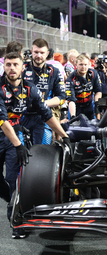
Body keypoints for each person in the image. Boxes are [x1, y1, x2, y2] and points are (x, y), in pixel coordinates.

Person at [0, 52, 71, 239]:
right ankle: (12, 201)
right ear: (4, 67)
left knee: (14, 178)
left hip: (12, 139)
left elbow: (47, 114)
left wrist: (64, 136)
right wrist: (18, 144)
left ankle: (17, 219)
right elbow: (2, 121)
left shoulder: (30, 89)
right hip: (7, 134)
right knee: (5, 186)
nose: (12, 68)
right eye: (8, 64)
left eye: (15, 64)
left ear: (23, 67)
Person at [21, 38, 66, 145]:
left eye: (42, 53)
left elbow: (61, 97)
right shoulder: (21, 68)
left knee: (42, 151)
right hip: (22, 115)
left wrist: (42, 104)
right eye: (36, 52)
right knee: (18, 153)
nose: (39, 55)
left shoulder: (54, 71)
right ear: (31, 51)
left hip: (43, 116)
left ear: (47, 54)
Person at [65, 54, 102, 120]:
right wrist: (73, 116)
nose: (83, 67)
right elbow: (71, 100)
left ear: (89, 65)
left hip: (89, 105)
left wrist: (97, 105)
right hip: (76, 107)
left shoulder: (93, 74)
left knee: (94, 126)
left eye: (85, 65)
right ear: (76, 65)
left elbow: (98, 91)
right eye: (81, 64)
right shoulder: (70, 79)